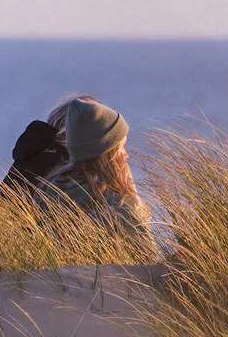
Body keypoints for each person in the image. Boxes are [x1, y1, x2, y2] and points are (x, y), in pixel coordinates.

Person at [40, 96, 155, 249]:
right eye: (122, 146)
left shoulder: (47, 192)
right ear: (109, 153)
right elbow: (147, 265)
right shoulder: (121, 206)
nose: (126, 155)